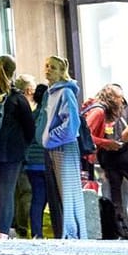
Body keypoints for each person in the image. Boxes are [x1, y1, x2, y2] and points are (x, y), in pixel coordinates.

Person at [40, 56, 88, 239]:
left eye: (53, 67)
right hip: (55, 147)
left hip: (64, 147)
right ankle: (68, 233)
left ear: (61, 72)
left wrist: (50, 138)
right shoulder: (51, 93)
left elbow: (71, 125)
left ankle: (73, 234)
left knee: (68, 193)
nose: (48, 70)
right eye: (47, 66)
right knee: (61, 192)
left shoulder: (65, 93)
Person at [0, 57, 34, 238]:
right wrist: (23, 146)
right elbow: (30, 128)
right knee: (6, 193)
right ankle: (3, 233)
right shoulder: (17, 98)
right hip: (11, 153)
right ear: (13, 72)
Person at [85, 83, 128, 239]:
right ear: (111, 98)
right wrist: (107, 143)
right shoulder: (98, 111)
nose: (121, 101)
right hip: (85, 157)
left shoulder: (98, 110)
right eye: (119, 98)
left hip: (91, 156)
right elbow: (86, 136)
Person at [24, 80, 54, 238]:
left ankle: (36, 233)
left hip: (31, 164)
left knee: (37, 199)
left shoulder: (31, 115)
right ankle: (56, 231)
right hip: (46, 162)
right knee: (53, 200)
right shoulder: (49, 116)